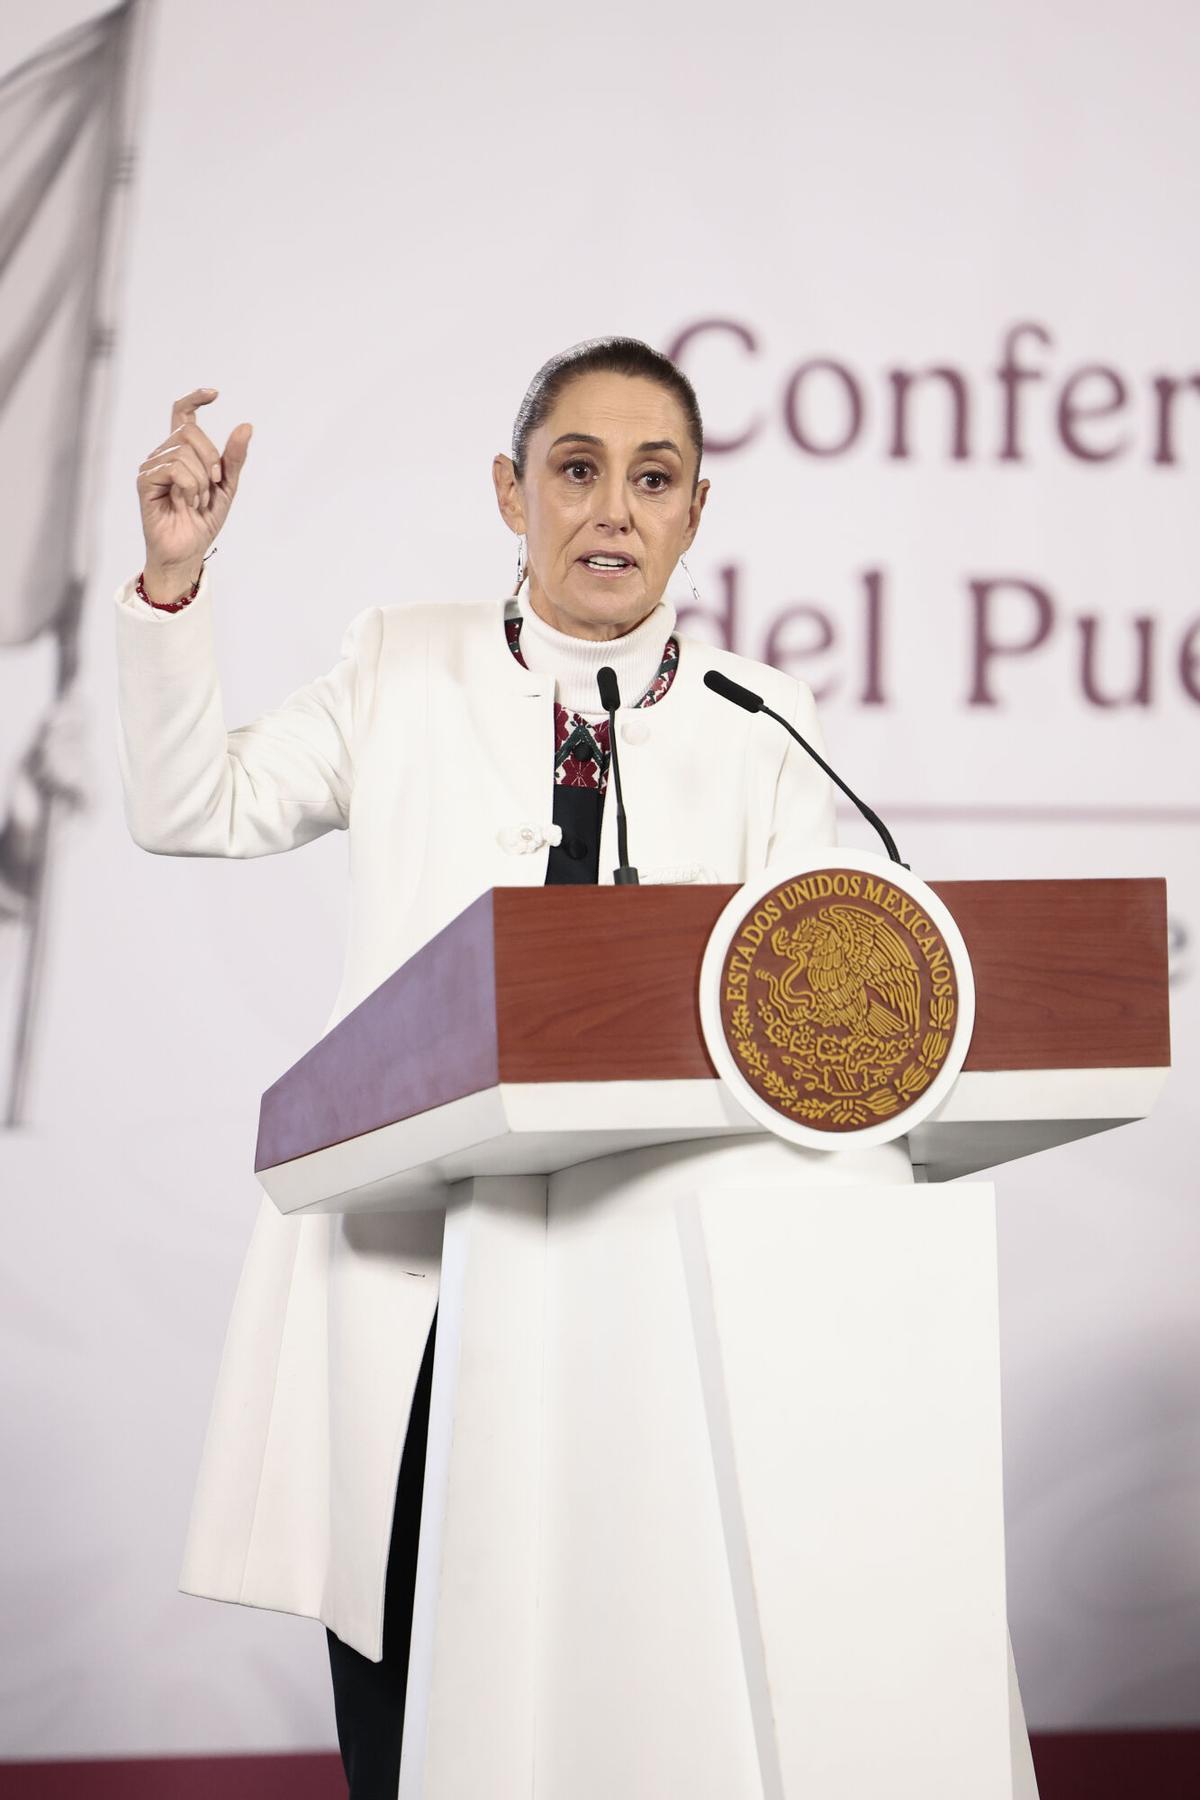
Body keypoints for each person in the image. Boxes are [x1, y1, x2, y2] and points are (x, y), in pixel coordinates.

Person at [114, 338, 836, 1797]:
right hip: (424, 1292)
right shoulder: (402, 662)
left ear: (700, 510)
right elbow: (196, 807)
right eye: (576, 472)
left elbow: (819, 1011)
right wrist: (176, 584)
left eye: (652, 479)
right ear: (511, 494)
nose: (612, 513)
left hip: (654, 1289)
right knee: (412, 1714)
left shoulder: (763, 727)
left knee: (634, 1698)